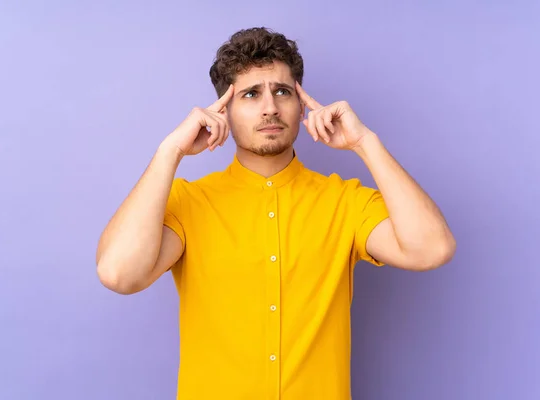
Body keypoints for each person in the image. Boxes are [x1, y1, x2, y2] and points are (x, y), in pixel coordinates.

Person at [96, 27, 456, 400]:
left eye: (282, 92)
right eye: (251, 94)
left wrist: (366, 144)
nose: (270, 107)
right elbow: (119, 274)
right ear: (223, 110)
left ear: (301, 105)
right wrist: (169, 152)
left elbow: (431, 249)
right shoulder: (189, 203)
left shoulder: (344, 201)